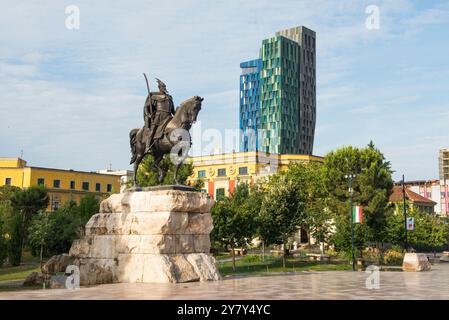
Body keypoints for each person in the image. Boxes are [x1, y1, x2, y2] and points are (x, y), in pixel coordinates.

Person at [143, 78, 175, 152]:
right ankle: (148, 146)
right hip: (159, 117)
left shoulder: (169, 97)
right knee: (152, 130)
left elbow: (172, 110)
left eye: (165, 87)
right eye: (163, 87)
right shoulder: (154, 96)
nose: (164, 88)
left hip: (169, 117)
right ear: (159, 88)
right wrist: (148, 114)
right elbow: (146, 107)